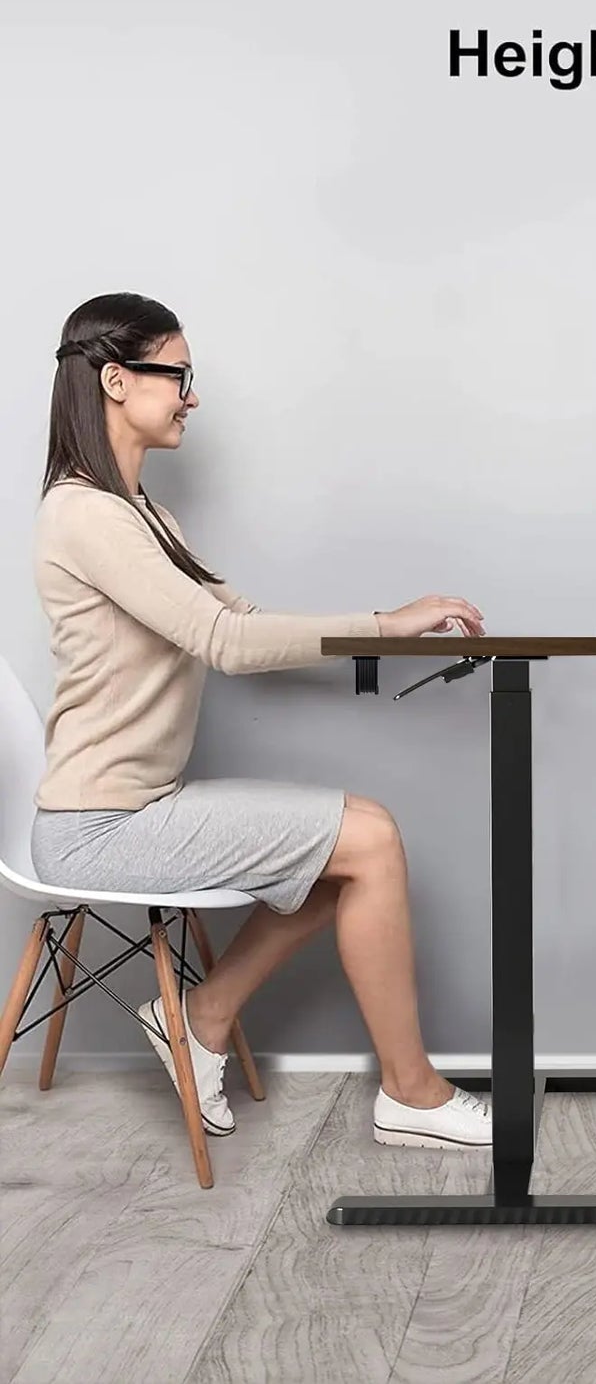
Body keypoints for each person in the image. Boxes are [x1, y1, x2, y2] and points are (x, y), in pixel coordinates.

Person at [30, 292, 493, 1150]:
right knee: (372, 838)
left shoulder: (143, 518)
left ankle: (199, 1017)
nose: (191, 396)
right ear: (117, 379)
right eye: (180, 375)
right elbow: (225, 642)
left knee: (341, 852)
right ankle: (412, 1092)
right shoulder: (84, 514)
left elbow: (238, 613)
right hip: (101, 825)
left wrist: (383, 620)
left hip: (136, 808)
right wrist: (386, 628)